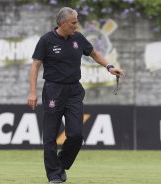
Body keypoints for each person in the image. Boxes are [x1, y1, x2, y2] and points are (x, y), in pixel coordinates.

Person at [27, 7, 124, 184]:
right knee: (49, 137)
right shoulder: (46, 40)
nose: (76, 26)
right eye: (73, 23)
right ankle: (54, 176)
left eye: (76, 22)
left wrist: (109, 67)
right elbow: (35, 66)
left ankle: (61, 164)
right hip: (53, 91)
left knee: (76, 135)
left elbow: (94, 53)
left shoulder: (78, 38)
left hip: (74, 91)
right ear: (62, 23)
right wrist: (32, 92)